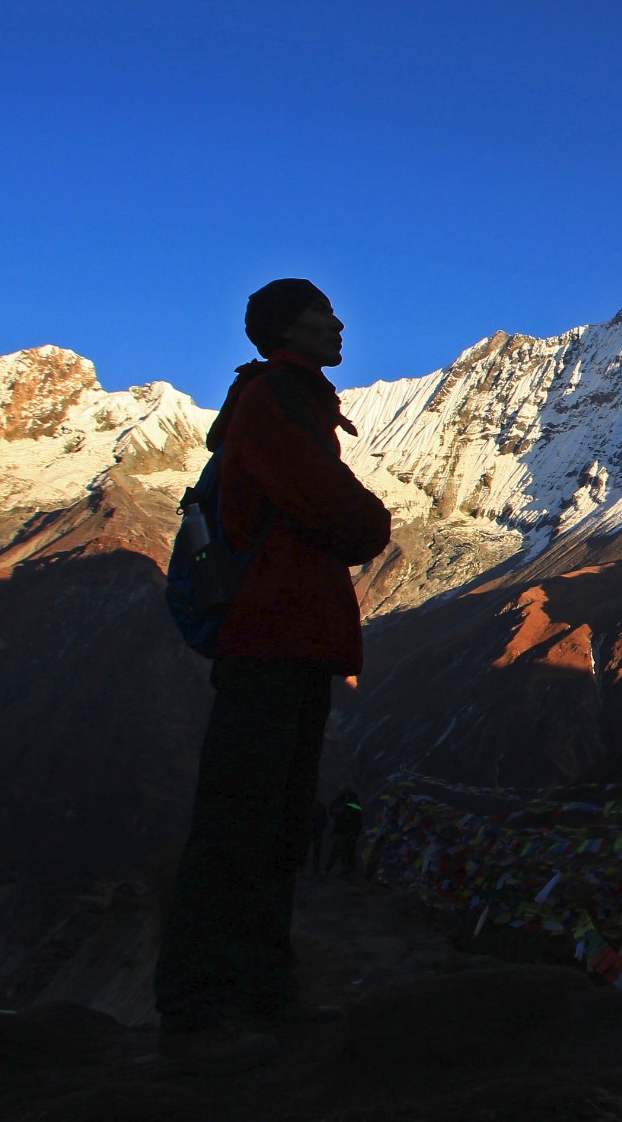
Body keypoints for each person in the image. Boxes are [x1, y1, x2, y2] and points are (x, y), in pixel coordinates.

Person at [153, 278, 392, 1068]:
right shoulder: (276, 402)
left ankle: (260, 988)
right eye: (324, 310)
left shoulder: (294, 402)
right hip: (269, 637)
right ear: (288, 326)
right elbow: (338, 512)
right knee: (240, 817)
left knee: (278, 818)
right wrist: (369, 520)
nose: (340, 321)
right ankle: (197, 1003)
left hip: (289, 640)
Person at [326, 788, 364, 878]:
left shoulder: (349, 808)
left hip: (345, 834)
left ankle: (331, 870)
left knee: (340, 853)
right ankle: (347, 872)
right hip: (348, 834)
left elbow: (341, 819)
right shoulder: (352, 807)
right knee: (346, 854)